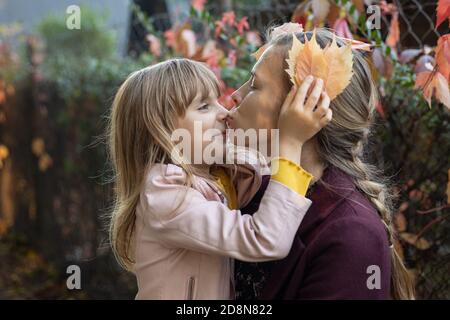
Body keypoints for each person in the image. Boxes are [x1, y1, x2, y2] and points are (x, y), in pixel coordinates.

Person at [107, 58, 332, 299]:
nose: (225, 113)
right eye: (204, 107)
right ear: (160, 130)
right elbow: (265, 239)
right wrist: (291, 142)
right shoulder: (165, 193)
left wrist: (279, 53)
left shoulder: (217, 173)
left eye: (217, 102)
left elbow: (258, 160)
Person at [229, 27, 415, 299]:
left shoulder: (350, 233)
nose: (235, 95)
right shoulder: (254, 192)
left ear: (305, 107)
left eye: (255, 85)